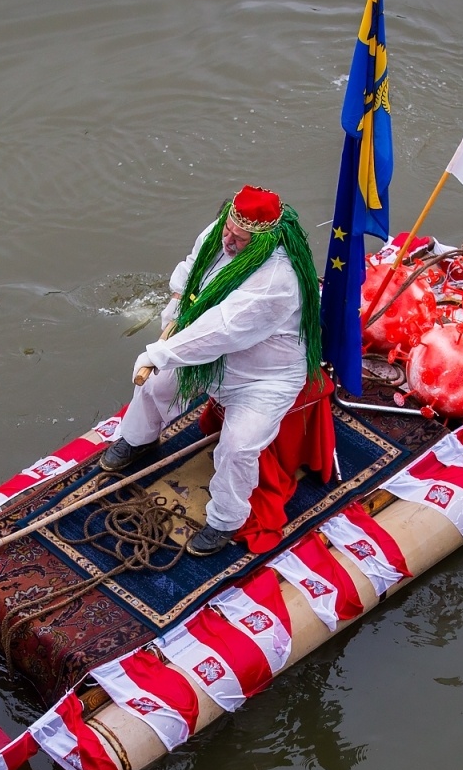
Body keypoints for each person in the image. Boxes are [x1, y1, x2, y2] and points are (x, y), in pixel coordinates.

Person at [100, 185, 323, 556]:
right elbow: (194, 265)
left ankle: (225, 520)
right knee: (155, 387)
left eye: (239, 239)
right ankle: (137, 438)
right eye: (227, 232)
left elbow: (222, 329)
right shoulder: (224, 230)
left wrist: (160, 352)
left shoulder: (275, 280)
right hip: (211, 353)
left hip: (262, 378)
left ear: (264, 240)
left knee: (237, 448)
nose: (228, 241)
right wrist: (175, 302)